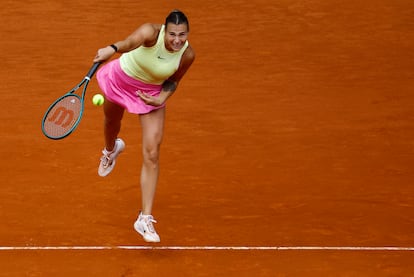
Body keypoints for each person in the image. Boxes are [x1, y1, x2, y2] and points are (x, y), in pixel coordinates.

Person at [92, 10, 195, 243]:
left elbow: (173, 80)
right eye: (172, 34)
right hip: (120, 80)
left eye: (182, 35)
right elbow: (130, 43)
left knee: (152, 153)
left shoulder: (187, 54)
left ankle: (145, 217)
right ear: (164, 31)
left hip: (149, 94)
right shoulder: (151, 32)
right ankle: (111, 149)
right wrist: (112, 48)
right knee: (111, 122)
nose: (177, 40)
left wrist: (161, 99)